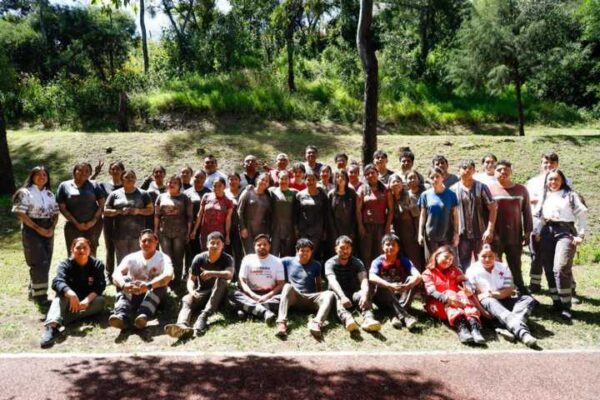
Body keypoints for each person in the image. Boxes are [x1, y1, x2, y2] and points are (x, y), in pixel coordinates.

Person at [533, 170, 587, 320]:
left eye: (556, 179)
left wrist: (580, 235)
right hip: (546, 232)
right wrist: (538, 231)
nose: (553, 182)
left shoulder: (570, 195)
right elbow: (541, 217)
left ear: (562, 180)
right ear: (546, 181)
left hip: (565, 232)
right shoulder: (544, 196)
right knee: (549, 268)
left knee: (561, 268)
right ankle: (556, 302)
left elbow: (582, 215)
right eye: (550, 179)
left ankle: (566, 306)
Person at [164, 232, 234, 338]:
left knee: (222, 281)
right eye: (212, 243)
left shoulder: (227, 258)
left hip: (221, 295)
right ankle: (182, 326)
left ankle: (203, 316)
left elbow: (229, 275)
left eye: (218, 243)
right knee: (187, 299)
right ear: (207, 244)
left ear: (222, 245)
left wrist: (211, 273)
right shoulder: (199, 258)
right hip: (203, 292)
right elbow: (191, 279)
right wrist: (192, 291)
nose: (215, 245)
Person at [40, 238, 106, 348]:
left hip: (85, 303)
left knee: (101, 301)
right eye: (78, 248)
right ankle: (51, 327)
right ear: (72, 249)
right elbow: (57, 282)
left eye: (84, 248)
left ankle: (62, 318)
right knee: (60, 296)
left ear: (89, 250)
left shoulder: (97, 265)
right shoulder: (65, 264)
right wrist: (70, 293)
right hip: (68, 300)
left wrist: (87, 300)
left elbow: (100, 286)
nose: (81, 250)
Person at [466, 245, 538, 347]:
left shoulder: (503, 267)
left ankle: (502, 326)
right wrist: (483, 312)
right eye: (483, 256)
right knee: (489, 300)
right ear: (478, 256)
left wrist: (490, 293)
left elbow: (509, 290)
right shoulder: (472, 270)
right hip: (487, 305)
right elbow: (472, 295)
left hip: (503, 300)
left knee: (527, 299)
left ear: (495, 255)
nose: (487, 259)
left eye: (490, 256)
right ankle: (523, 333)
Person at [526, 151, 572, 293]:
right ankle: (535, 283)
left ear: (557, 164)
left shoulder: (565, 180)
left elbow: (567, 199)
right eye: (545, 162)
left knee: (560, 257)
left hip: (558, 222)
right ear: (541, 164)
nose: (548, 165)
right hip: (537, 219)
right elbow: (528, 200)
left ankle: (568, 286)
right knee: (536, 253)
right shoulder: (533, 181)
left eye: (552, 162)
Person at [12, 166, 59, 306]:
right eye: (38, 174)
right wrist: (38, 229)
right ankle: (40, 296)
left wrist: (51, 229)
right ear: (32, 176)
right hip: (31, 229)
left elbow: (55, 213)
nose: (41, 177)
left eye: (44, 175)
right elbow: (21, 214)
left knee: (46, 260)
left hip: (48, 229)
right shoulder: (24, 192)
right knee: (38, 261)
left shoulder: (50, 194)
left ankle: (34, 291)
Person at [109, 230, 174, 330]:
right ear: (139, 242)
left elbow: (168, 275)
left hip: (155, 297)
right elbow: (115, 274)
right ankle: (121, 316)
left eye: (150, 240)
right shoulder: (131, 257)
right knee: (123, 280)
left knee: (161, 285)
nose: (146, 243)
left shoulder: (163, 258)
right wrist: (124, 285)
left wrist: (148, 285)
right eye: (144, 241)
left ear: (156, 242)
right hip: (134, 293)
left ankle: (143, 315)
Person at [422, 246, 485, 344]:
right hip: (438, 304)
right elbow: (432, 292)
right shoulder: (428, 273)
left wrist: (469, 289)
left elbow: (465, 280)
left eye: (451, 259)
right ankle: (462, 328)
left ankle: (474, 327)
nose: (448, 261)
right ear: (437, 256)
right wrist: (449, 300)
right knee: (450, 293)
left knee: (462, 294)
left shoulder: (454, 270)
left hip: (459, 302)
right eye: (446, 257)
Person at [275, 239, 336, 340]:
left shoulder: (316, 265)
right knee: (287, 286)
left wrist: (320, 297)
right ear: (297, 250)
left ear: (311, 252)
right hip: (295, 297)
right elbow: (273, 263)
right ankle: (282, 323)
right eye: (302, 250)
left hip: (310, 298)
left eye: (308, 251)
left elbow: (318, 283)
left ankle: (317, 323)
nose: (305, 253)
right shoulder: (287, 261)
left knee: (329, 293)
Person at [488, 160, 532, 295]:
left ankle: (520, 288)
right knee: (496, 265)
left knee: (515, 264)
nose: (503, 172)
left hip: (515, 235)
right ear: (494, 172)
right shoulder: (489, 190)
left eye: (506, 169)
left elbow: (527, 211)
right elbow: (484, 213)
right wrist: (489, 232)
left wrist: (527, 232)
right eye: (499, 170)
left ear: (511, 172)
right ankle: (498, 290)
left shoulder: (521, 189)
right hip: (495, 236)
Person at [325, 236, 381, 333]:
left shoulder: (356, 262)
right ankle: (347, 319)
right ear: (336, 249)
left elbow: (364, 279)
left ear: (351, 249)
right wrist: (342, 296)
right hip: (337, 294)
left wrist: (364, 294)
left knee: (362, 293)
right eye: (342, 248)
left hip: (352, 293)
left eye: (347, 248)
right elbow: (332, 281)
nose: (345, 251)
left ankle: (369, 319)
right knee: (335, 297)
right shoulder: (330, 263)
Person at [450, 159, 497, 271]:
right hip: (462, 234)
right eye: (464, 168)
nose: (467, 170)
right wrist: (454, 233)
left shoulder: (482, 187)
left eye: (470, 168)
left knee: (483, 261)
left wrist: (489, 230)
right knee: (463, 263)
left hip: (480, 233)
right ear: (458, 171)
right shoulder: (453, 190)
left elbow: (493, 208)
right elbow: (451, 213)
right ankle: (467, 282)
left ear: (474, 171)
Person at [369, 234, 421, 330]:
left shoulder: (403, 260)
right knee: (383, 283)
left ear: (398, 248)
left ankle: (394, 315)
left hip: (399, 295)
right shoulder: (377, 261)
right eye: (387, 244)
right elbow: (371, 277)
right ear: (382, 247)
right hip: (382, 296)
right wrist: (389, 285)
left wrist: (409, 284)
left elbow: (418, 275)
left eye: (393, 245)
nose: (390, 247)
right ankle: (406, 317)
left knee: (412, 279)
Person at [103, 170, 154, 267]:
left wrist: (138, 211)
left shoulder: (144, 194)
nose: (130, 179)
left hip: (138, 235)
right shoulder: (114, 194)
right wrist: (119, 211)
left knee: (138, 261)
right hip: (120, 235)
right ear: (122, 179)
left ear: (135, 179)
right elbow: (105, 211)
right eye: (127, 177)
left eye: (132, 177)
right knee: (122, 262)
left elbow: (151, 210)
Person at [230, 234, 284, 324]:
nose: (262, 247)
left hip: (270, 296)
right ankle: (264, 312)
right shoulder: (247, 259)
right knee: (232, 293)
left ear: (269, 246)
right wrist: (253, 295)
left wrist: (267, 296)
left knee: (283, 298)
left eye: (265, 244)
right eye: (259, 245)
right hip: (250, 294)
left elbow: (281, 284)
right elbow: (242, 281)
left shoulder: (277, 261)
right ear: (254, 246)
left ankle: (248, 309)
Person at [57, 162, 105, 256]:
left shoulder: (95, 185)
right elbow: (62, 207)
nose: (84, 173)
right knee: (73, 253)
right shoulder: (64, 185)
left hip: (93, 227)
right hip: (72, 226)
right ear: (74, 171)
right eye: (80, 170)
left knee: (91, 252)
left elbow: (102, 204)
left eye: (87, 171)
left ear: (90, 173)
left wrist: (93, 222)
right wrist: (76, 223)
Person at [154, 175, 193, 290]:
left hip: (180, 232)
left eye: (175, 182)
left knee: (178, 257)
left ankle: (177, 281)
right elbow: (156, 215)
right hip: (164, 232)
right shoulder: (160, 197)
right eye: (170, 182)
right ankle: (167, 280)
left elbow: (190, 217)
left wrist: (188, 232)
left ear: (179, 185)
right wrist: (155, 231)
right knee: (167, 258)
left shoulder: (185, 198)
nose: (171, 184)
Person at [418, 167, 459, 260]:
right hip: (430, 236)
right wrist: (420, 234)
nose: (435, 179)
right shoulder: (425, 195)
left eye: (437, 176)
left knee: (446, 260)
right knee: (431, 261)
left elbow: (455, 216)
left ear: (442, 177)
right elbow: (423, 216)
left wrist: (456, 234)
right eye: (432, 177)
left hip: (446, 235)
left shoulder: (451, 194)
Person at [356, 164, 393, 268]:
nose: (370, 175)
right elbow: (358, 210)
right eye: (367, 174)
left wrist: (388, 227)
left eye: (372, 173)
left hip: (381, 226)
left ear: (377, 173)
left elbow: (390, 210)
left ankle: (380, 272)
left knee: (380, 251)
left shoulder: (385, 189)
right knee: (366, 253)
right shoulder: (362, 189)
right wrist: (360, 226)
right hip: (366, 226)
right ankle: (366, 273)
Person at [389, 172, 425, 270]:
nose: (396, 184)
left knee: (413, 258)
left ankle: (417, 277)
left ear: (402, 184)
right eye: (393, 182)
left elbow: (417, 217)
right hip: (397, 233)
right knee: (400, 257)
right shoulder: (389, 198)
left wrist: (418, 234)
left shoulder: (409, 197)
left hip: (410, 232)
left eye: (398, 181)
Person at [98, 161, 125, 285]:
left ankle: (122, 273)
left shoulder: (126, 185)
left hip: (124, 222)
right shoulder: (103, 185)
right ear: (109, 171)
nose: (115, 171)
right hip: (108, 221)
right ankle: (109, 275)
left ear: (122, 171)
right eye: (113, 169)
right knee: (110, 248)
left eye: (118, 169)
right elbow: (88, 185)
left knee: (122, 248)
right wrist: (96, 173)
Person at [191, 177, 233, 252]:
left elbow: (228, 219)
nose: (216, 188)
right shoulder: (206, 196)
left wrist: (227, 235)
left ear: (224, 186)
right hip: (205, 231)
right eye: (214, 186)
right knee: (205, 252)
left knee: (217, 252)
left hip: (219, 232)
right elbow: (200, 214)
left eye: (219, 185)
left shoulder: (228, 201)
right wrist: (194, 230)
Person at [295, 171, 330, 262]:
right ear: (305, 180)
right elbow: (296, 213)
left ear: (317, 180)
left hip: (317, 230)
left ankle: (314, 270)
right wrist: (296, 229)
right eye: (308, 180)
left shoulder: (322, 195)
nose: (310, 182)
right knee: (302, 252)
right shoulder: (299, 195)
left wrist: (325, 230)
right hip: (303, 229)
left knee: (313, 253)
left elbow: (326, 213)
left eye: (313, 180)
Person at [184, 170, 212, 273]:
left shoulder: (209, 193)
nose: (198, 179)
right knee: (189, 250)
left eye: (201, 177)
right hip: (190, 225)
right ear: (193, 178)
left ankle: (202, 272)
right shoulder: (186, 193)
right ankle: (188, 271)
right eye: (196, 177)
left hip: (205, 226)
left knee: (203, 249)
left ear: (205, 179)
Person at [238, 173, 272, 254]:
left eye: (266, 181)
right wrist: (242, 227)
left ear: (268, 184)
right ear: (257, 180)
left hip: (261, 230)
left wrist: (268, 232)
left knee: (260, 253)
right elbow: (239, 211)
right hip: (247, 229)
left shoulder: (268, 197)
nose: (264, 182)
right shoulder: (248, 192)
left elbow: (269, 216)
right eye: (262, 179)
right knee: (249, 253)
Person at [268, 171, 297, 257]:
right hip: (275, 228)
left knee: (288, 254)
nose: (283, 181)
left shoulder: (294, 193)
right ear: (278, 179)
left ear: (289, 180)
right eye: (281, 179)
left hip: (289, 229)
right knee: (274, 253)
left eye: (286, 179)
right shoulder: (272, 191)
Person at [328, 169, 358, 246]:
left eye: (342, 176)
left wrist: (353, 229)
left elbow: (355, 212)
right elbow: (329, 215)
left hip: (349, 227)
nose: (340, 178)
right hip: (335, 228)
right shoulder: (331, 194)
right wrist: (333, 230)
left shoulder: (352, 193)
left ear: (346, 178)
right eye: (338, 177)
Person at [225, 172, 244, 275]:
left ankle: (238, 275)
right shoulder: (224, 193)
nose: (233, 181)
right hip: (225, 226)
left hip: (239, 227)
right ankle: (229, 275)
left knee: (238, 252)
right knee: (227, 252)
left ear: (239, 181)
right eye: (231, 179)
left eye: (235, 179)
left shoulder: (243, 193)